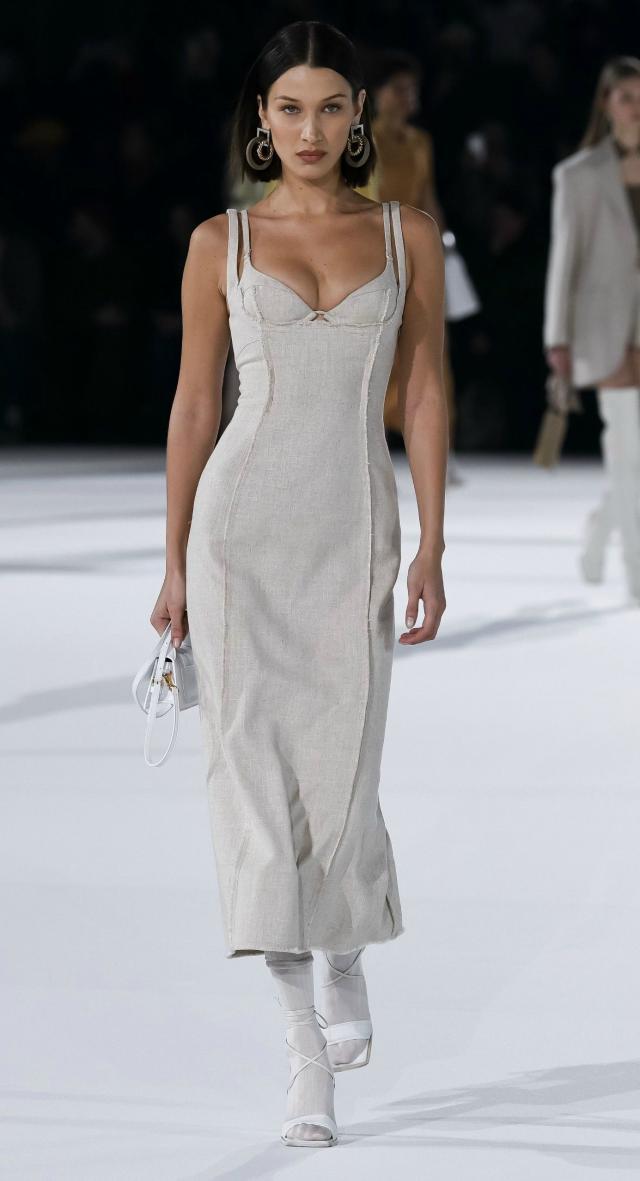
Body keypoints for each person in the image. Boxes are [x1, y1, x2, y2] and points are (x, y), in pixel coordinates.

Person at [149, 20, 448, 1148]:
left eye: (330, 106)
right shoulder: (217, 242)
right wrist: (174, 561)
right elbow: (194, 404)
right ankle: (301, 1051)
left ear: (358, 115)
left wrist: (432, 543)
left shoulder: (405, 233)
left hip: (353, 528)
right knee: (252, 786)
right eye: (289, 108)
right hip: (238, 537)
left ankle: (347, 944)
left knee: (344, 771)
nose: (309, 128)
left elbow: (425, 389)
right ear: (262, 121)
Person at [544, 55, 640, 604]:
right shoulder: (578, 174)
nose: (635, 106)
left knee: (634, 459)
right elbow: (565, 260)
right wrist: (557, 338)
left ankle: (601, 527)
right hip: (603, 326)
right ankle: (635, 572)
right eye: (625, 96)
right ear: (606, 104)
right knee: (623, 447)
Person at [369, 50, 463, 483]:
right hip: (374, 253)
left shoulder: (420, 141)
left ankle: (439, 448)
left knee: (431, 349)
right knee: (378, 351)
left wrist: (442, 248)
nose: (407, 96)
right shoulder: (361, 140)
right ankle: (368, 445)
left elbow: (428, 197)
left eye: (412, 89)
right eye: (398, 89)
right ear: (377, 94)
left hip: (417, 251)